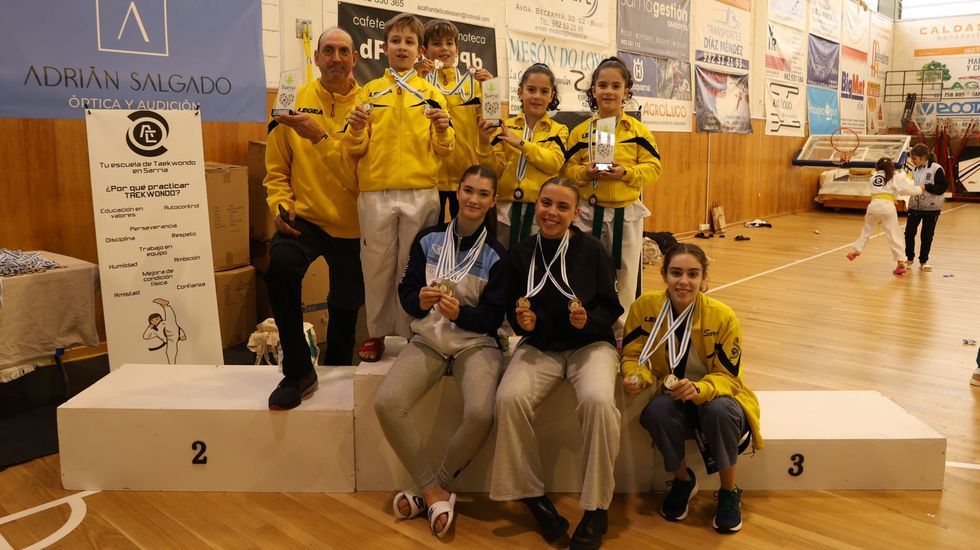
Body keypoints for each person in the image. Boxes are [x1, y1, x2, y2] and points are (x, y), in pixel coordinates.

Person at [374, 165, 507, 538]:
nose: (473, 199)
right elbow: (407, 295)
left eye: (483, 194)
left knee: (481, 413)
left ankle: (431, 488)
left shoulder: (498, 254)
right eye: (467, 190)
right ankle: (435, 491)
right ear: (457, 193)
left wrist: (462, 313)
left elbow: (493, 317)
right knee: (387, 403)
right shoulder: (428, 240)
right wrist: (418, 298)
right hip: (429, 339)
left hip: (476, 344)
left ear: (493, 200)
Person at [491, 177, 623, 550]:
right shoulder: (520, 253)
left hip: (590, 347)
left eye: (562, 207)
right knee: (508, 400)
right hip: (542, 348)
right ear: (537, 205)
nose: (552, 212)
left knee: (599, 402)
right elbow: (516, 310)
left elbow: (611, 308)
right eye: (546, 203)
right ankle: (532, 497)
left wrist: (589, 321)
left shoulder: (593, 250)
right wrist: (523, 322)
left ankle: (596, 507)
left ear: (575, 213)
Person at [621, 243, 764, 534]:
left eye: (692, 274)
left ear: (703, 277)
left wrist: (701, 389)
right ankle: (684, 481)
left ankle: (728, 491)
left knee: (720, 409)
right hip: (673, 398)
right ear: (663, 274)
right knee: (657, 411)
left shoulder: (722, 316)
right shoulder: (645, 308)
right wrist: (635, 375)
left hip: (715, 398)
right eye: (676, 273)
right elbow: (634, 356)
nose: (683, 281)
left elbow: (730, 378)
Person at [344, 13, 455, 362]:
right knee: (376, 264)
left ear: (419, 50)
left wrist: (442, 129)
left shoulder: (432, 93)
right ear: (384, 48)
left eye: (409, 42)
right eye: (396, 41)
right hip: (376, 191)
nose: (402, 47)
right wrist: (358, 129)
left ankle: (412, 331)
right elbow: (354, 147)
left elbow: (445, 149)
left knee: (414, 267)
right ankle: (376, 332)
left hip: (421, 190)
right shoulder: (369, 91)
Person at [264, 27, 365, 410]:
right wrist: (279, 204)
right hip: (304, 219)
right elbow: (275, 169)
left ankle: (339, 368)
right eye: (328, 51)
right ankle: (298, 369)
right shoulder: (292, 99)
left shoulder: (368, 104)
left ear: (354, 59)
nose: (336, 58)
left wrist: (319, 135)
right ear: (316, 58)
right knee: (282, 266)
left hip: (353, 222)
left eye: (344, 51)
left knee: (346, 303)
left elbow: (358, 171)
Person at [563, 57, 663, 333]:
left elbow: (654, 168)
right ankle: (585, 327)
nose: (609, 91)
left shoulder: (638, 132)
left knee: (626, 275)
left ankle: (621, 334)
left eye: (615, 86)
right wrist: (586, 172)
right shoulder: (582, 133)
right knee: (586, 271)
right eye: (602, 85)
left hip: (626, 214)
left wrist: (626, 173)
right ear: (593, 90)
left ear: (626, 92)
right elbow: (566, 170)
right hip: (588, 212)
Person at [477, 63, 568, 248]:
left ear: (551, 96)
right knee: (503, 265)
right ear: (520, 92)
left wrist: (520, 143)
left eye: (544, 91)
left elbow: (554, 163)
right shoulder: (505, 126)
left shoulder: (559, 130)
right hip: (504, 210)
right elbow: (494, 170)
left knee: (533, 268)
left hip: (540, 213)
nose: (537, 96)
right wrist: (484, 144)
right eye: (531, 89)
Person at [416, 19, 493, 222]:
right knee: (430, 238)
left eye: (449, 43)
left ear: (457, 49)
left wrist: (490, 92)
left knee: (467, 234)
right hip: (430, 176)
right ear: (424, 50)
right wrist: (415, 77)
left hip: (466, 176)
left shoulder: (473, 84)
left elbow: (489, 124)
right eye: (437, 43)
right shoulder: (418, 83)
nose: (444, 48)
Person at [846, 158, 923, 275]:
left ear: (878, 167)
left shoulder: (873, 177)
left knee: (867, 230)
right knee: (894, 234)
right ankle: (900, 261)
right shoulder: (894, 177)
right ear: (891, 167)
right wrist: (921, 188)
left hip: (873, 206)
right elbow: (907, 190)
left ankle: (856, 250)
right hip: (887, 207)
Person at [904, 143, 948, 272]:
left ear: (923, 157)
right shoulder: (914, 170)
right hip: (914, 207)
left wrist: (926, 186)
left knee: (926, 236)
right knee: (909, 233)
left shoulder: (936, 168)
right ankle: (909, 258)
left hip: (931, 209)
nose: (912, 161)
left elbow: (941, 188)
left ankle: (923, 261)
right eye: (912, 159)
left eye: (915, 158)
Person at [142, 298, 186, 364]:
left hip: (171, 331)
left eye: (156, 319)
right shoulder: (154, 331)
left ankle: (166, 306)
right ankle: (172, 367)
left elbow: (177, 327)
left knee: (171, 323)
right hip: (170, 340)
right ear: (150, 322)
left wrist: (182, 335)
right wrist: (149, 328)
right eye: (152, 320)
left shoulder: (164, 322)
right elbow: (146, 337)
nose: (155, 321)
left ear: (160, 318)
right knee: (170, 352)